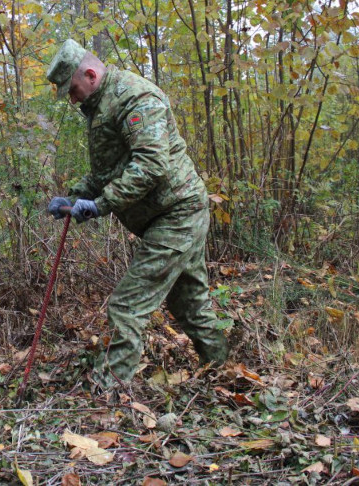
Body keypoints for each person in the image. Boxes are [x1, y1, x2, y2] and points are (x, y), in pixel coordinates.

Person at [45, 39, 230, 392]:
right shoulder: (101, 104)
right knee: (190, 305)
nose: (72, 99)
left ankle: (109, 389)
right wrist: (75, 197)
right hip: (164, 216)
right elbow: (109, 170)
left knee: (127, 305)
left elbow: (151, 165)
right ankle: (222, 373)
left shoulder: (134, 97)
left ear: (89, 73)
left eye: (73, 89)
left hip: (178, 213)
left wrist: (101, 205)